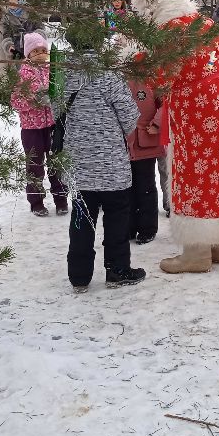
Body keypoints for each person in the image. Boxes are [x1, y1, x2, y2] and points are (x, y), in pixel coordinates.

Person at [129, 0, 219, 274]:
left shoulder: (169, 32)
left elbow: (160, 78)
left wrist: (131, 56)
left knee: (194, 171)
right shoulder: (206, 25)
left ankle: (197, 252)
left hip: (195, 112)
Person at [59, 22, 144, 291]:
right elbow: (130, 117)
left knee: (81, 219)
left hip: (78, 165)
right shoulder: (110, 75)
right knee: (117, 218)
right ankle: (117, 270)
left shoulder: (62, 75)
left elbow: (53, 114)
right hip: (112, 166)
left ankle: (79, 276)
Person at [11, 32, 68, 216]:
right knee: (34, 165)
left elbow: (62, 93)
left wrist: (55, 100)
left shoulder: (54, 70)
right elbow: (15, 102)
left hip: (52, 125)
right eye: (36, 51)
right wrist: (34, 101)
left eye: (44, 50)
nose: (41, 54)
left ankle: (61, 199)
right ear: (28, 54)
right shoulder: (22, 74)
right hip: (31, 129)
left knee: (56, 163)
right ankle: (36, 202)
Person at [126, 72, 165, 243]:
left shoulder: (151, 77)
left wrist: (157, 123)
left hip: (145, 141)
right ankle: (129, 227)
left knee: (146, 187)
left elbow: (165, 103)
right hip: (122, 144)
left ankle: (147, 228)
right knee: (126, 189)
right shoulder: (115, 77)